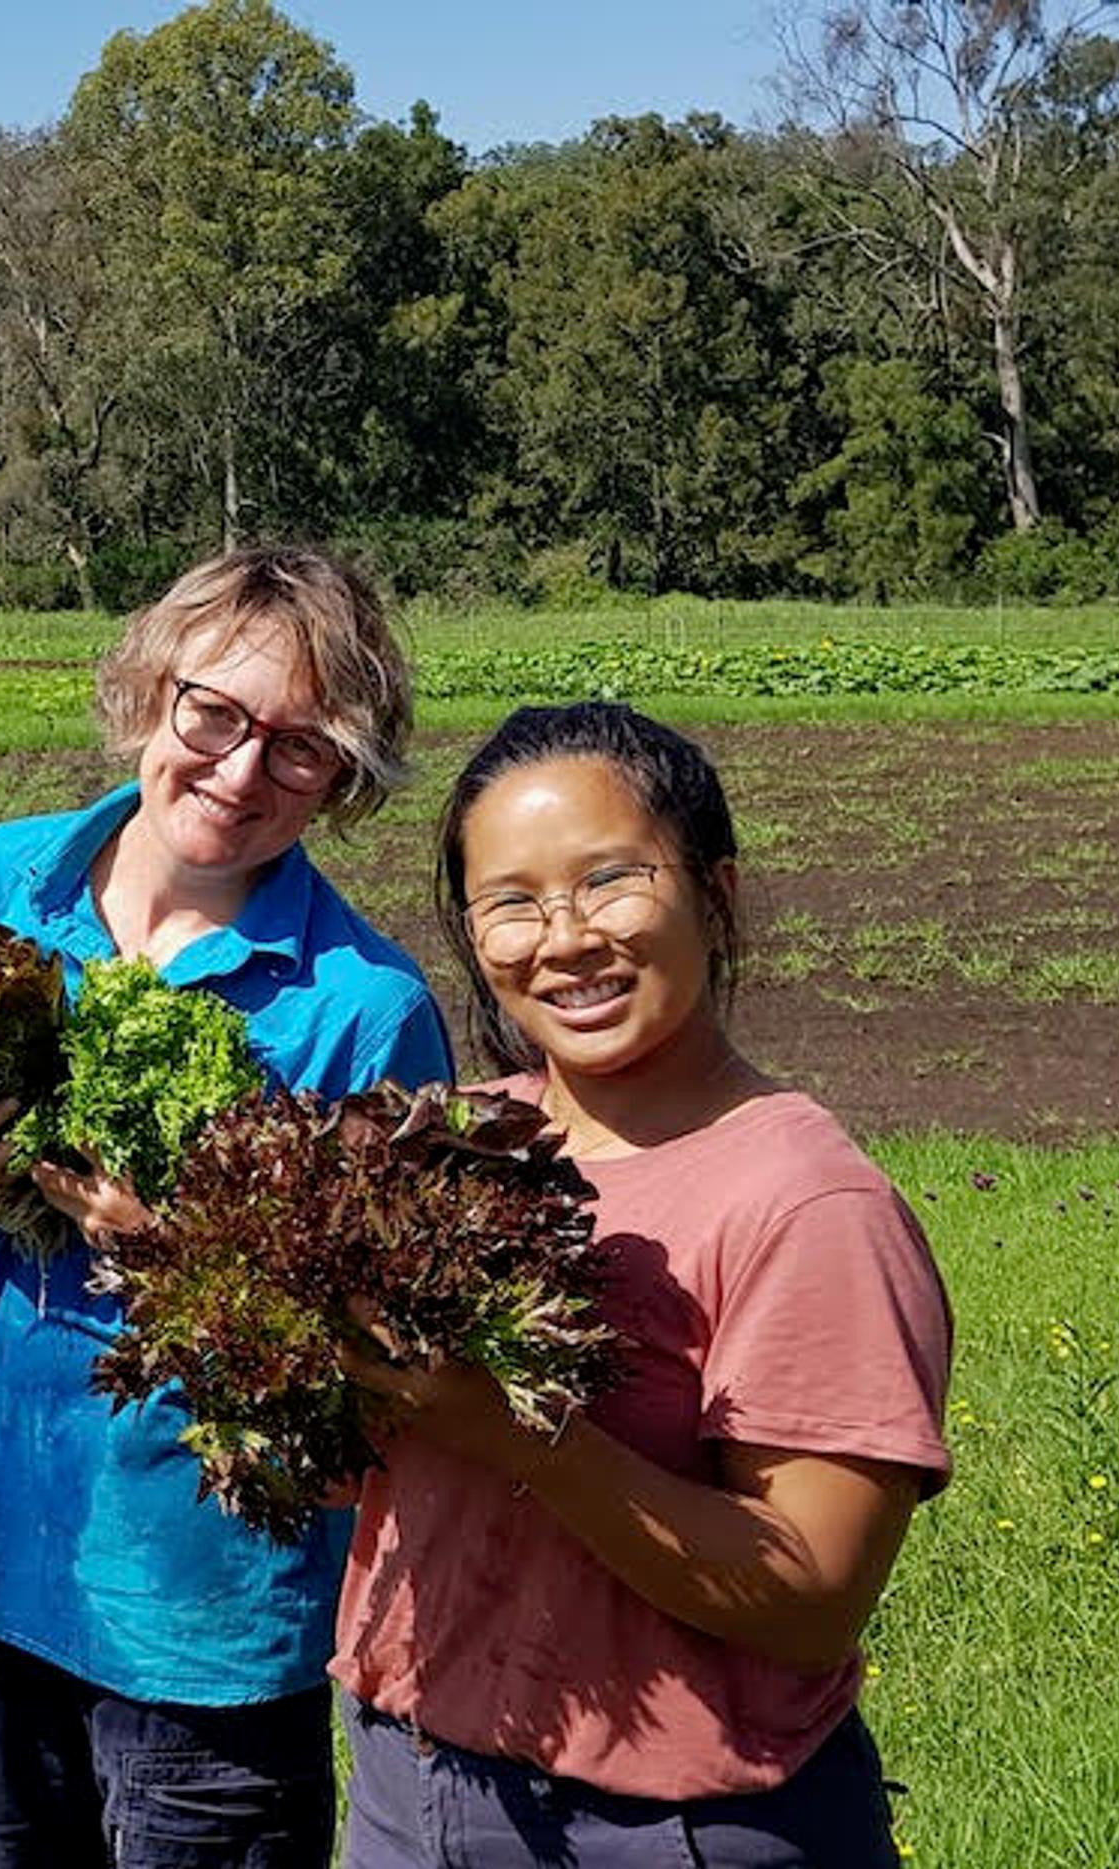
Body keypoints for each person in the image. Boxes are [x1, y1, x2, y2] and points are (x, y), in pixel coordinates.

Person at [0, 545, 451, 1867]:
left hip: (207, 1609)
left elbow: (390, 1362)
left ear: (345, 780)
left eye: (301, 751)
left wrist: (185, 1259)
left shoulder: (361, 1009)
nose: (241, 774)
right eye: (217, 714)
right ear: (152, 691)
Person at [331, 701, 954, 1868]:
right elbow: (357, 1472)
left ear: (715, 895)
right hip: (408, 1793)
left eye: (612, 882)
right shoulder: (452, 1147)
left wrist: (517, 1435)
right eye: (511, 903)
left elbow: (813, 1593)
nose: (562, 939)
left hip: (674, 1832)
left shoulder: (806, 1204)